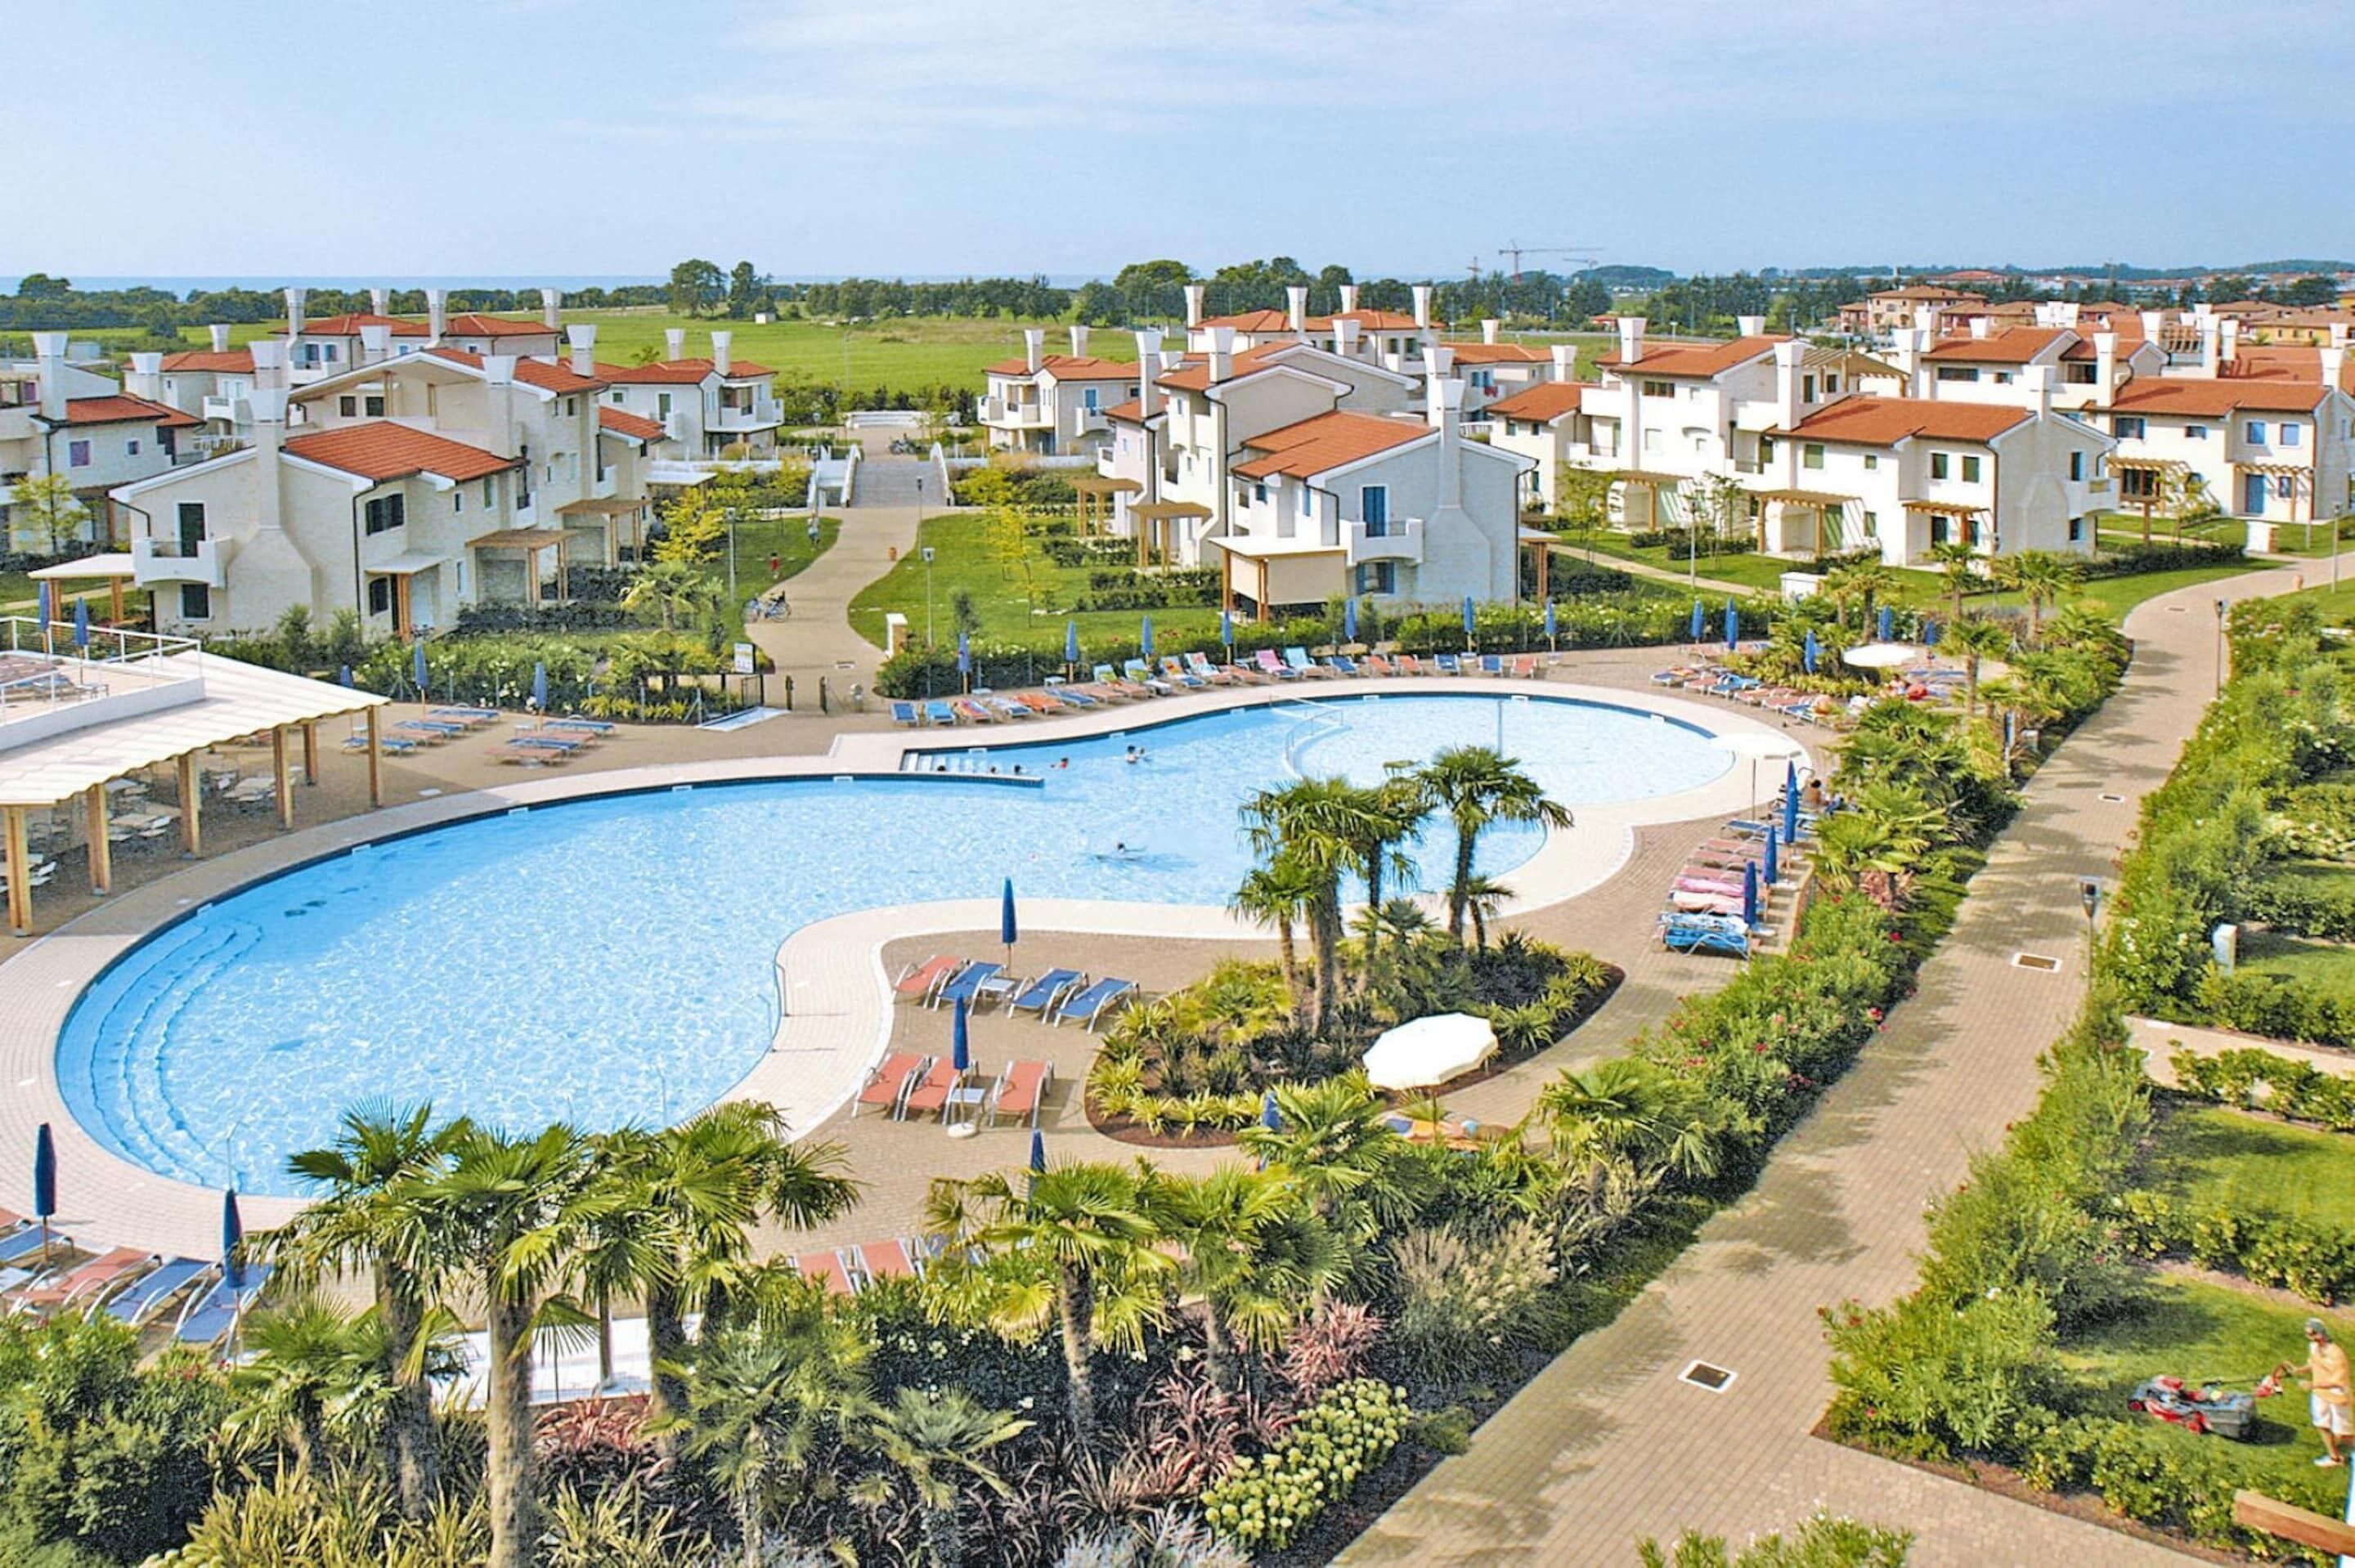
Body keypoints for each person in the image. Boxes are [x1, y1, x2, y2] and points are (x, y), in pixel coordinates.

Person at [2281, 1319, 2354, 1466]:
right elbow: (2313, 1363)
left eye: (2315, 1334)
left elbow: (2338, 1381)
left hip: (2338, 1396)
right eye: (2309, 1335)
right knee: (2322, 1425)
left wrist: (2312, 1385)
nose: (2313, 1338)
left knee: (2343, 1434)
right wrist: (2299, 1370)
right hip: (2320, 1394)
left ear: (2323, 1332)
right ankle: (2335, 1458)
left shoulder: (2336, 1354)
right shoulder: (2314, 1347)